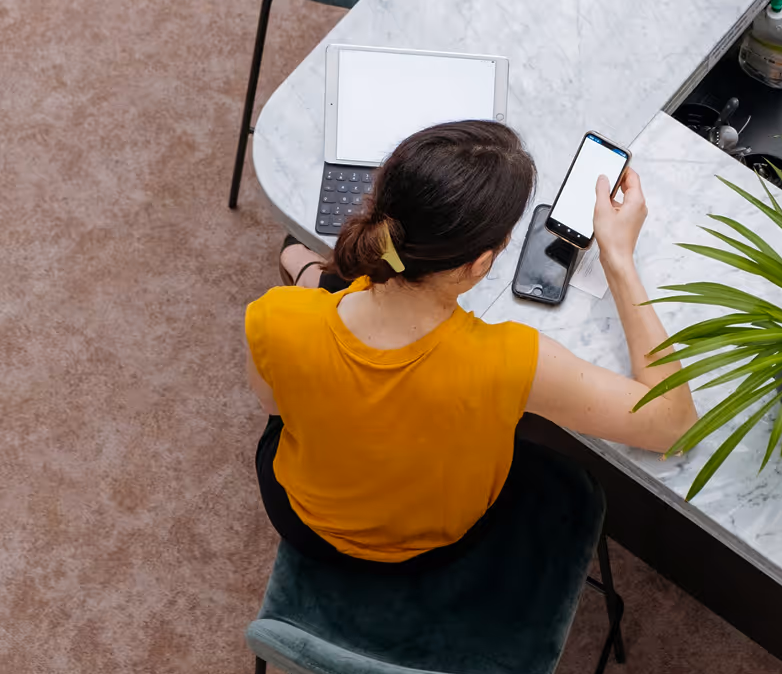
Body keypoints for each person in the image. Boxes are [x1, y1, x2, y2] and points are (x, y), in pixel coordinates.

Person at [245, 121, 696, 569]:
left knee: (324, 292)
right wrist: (618, 258)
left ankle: (303, 268)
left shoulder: (274, 316)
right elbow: (673, 426)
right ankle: (310, 270)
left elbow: (276, 409)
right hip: (438, 543)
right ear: (481, 263)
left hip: (301, 518)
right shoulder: (511, 361)